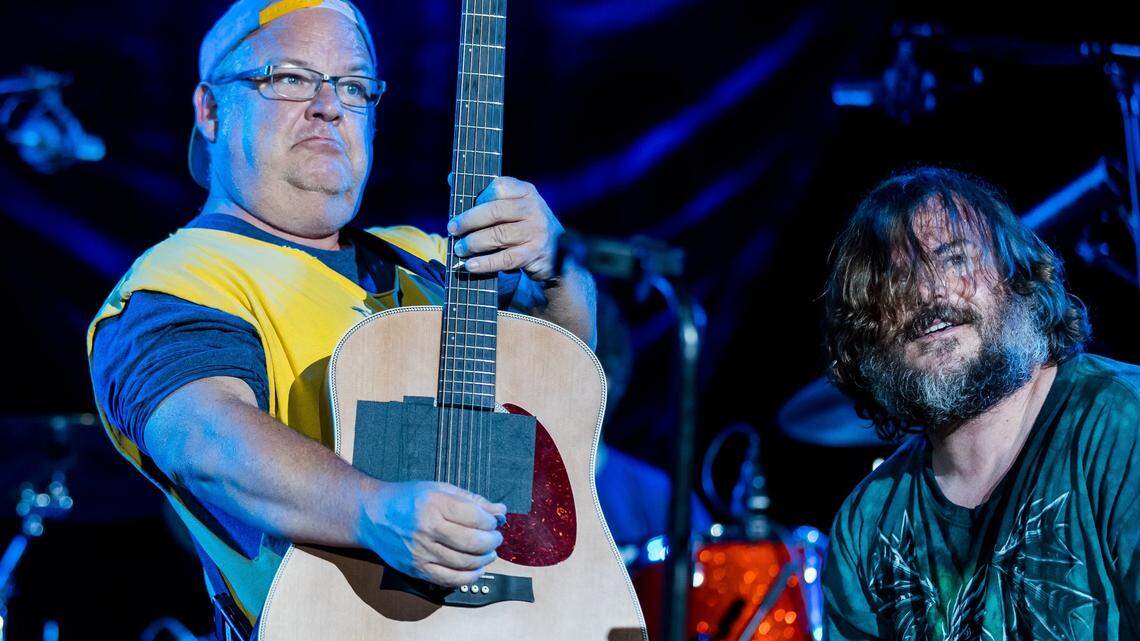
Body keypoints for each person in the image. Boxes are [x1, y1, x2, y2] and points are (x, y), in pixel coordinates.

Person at [86, 0, 596, 636]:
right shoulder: (177, 281)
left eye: (354, 87)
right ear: (210, 110)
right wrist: (372, 510)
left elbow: (562, 413)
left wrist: (560, 274)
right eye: (289, 77)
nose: (328, 104)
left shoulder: (437, 259)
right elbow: (206, 441)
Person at [820, 167, 1138, 640]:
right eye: (898, 280)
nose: (929, 293)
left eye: (954, 260)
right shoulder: (865, 525)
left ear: (1016, 276)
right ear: (869, 331)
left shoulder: (1121, 421)